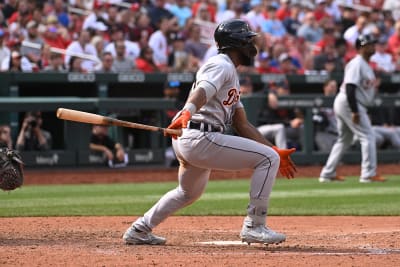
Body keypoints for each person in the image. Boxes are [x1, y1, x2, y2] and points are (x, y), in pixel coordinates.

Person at [122, 19, 296, 246]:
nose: (252, 46)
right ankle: (254, 226)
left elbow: (242, 124)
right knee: (267, 160)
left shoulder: (230, 72)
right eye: (248, 40)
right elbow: (203, 90)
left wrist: (273, 148)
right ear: (237, 43)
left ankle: (139, 229)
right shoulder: (221, 65)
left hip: (194, 138)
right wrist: (187, 111)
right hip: (201, 136)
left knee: (188, 193)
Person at [319, 34, 386, 184]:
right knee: (368, 136)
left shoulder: (365, 64)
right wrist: (355, 111)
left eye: (373, 44)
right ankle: (368, 174)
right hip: (349, 102)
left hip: (349, 102)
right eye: (369, 44)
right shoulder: (357, 63)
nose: (373, 47)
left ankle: (327, 173)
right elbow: (350, 87)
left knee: (344, 140)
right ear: (361, 48)